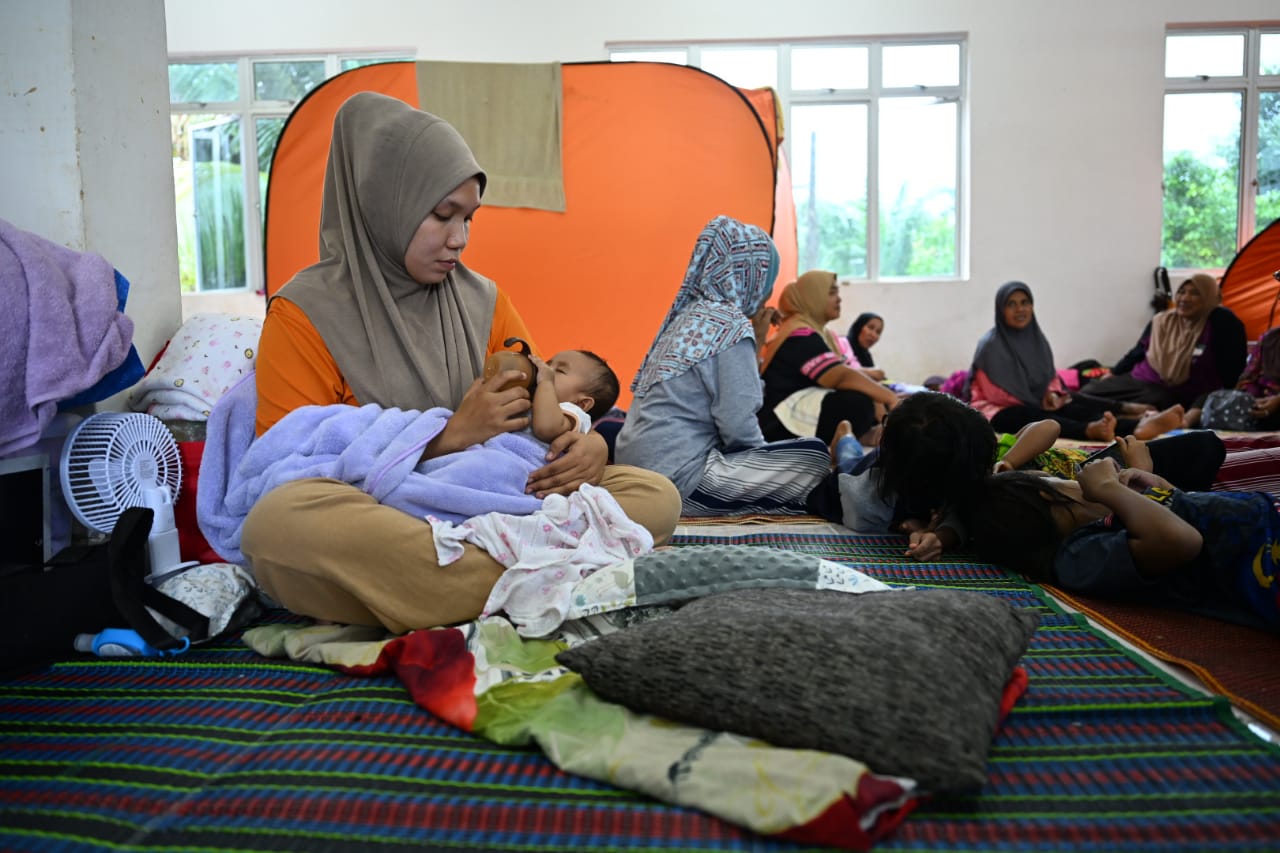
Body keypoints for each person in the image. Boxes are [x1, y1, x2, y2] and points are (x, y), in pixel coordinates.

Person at [236, 92, 680, 634]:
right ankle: (550, 575)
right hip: (389, 516)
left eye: (468, 218)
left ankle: (453, 587)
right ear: (383, 204)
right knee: (277, 528)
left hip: (497, 503)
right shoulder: (305, 313)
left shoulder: (485, 302)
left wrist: (586, 446)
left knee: (656, 496)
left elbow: (542, 407)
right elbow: (283, 462)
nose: (459, 240)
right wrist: (444, 437)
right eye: (442, 215)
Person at [808, 391, 1226, 562]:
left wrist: (1008, 463)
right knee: (848, 463)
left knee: (1204, 445)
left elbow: (1049, 428)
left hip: (1084, 469)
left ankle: (845, 438)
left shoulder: (992, 467)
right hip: (1098, 484)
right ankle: (843, 439)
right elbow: (956, 522)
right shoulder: (870, 499)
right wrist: (1137, 477)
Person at [613, 216, 832, 516]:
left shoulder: (688, 317)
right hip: (679, 482)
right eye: (768, 278)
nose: (767, 292)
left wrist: (755, 336)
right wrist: (765, 462)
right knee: (815, 457)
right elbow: (738, 427)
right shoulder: (730, 326)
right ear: (751, 275)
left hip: (636, 473)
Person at [963, 457, 1278, 633]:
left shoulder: (1111, 514)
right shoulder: (1074, 557)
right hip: (1261, 560)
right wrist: (1109, 489)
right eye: (1053, 478)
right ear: (1047, 495)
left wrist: (1163, 489)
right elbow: (1182, 540)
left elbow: (1190, 513)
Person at [969, 281, 1185, 442]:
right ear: (1001, 310)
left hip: (1037, 400)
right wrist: (1038, 399)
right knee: (1034, 417)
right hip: (999, 409)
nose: (1020, 309)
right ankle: (1089, 430)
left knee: (1069, 403)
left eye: (1025, 302)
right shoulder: (990, 345)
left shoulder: (1037, 340)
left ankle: (1136, 425)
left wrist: (1052, 393)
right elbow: (993, 393)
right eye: (1012, 304)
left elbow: (1050, 376)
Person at [758, 270, 900, 446]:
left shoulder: (820, 333)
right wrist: (889, 397)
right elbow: (839, 376)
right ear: (812, 297)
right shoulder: (799, 333)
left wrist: (880, 396)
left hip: (803, 404)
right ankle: (852, 436)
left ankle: (860, 435)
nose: (839, 299)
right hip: (779, 419)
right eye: (832, 293)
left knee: (866, 396)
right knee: (857, 403)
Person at [1078, 273, 1247, 411]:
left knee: (1163, 403)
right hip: (1141, 380)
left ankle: (1135, 414)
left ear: (1210, 297)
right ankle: (1133, 413)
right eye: (1181, 292)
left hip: (1182, 393)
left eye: (1195, 293)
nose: (1184, 298)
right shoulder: (1162, 320)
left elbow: (1234, 366)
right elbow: (1139, 350)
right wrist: (1114, 373)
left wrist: (1227, 393)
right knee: (1087, 393)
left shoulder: (1222, 322)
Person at [1184, 326, 1280, 431]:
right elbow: (1249, 376)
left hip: (1276, 404)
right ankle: (1183, 424)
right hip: (1258, 400)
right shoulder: (1269, 338)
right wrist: (1251, 398)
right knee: (1209, 397)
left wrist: (1277, 400)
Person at [527, 350, 619, 443]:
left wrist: (546, 381)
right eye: (547, 365)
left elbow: (546, 428)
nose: (546, 371)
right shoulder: (530, 394)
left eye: (560, 370)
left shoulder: (574, 414)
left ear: (581, 404)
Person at [845, 312, 886, 381]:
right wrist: (869, 372)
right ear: (859, 326)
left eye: (878, 332)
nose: (873, 335)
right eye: (870, 327)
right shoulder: (840, 344)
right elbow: (836, 370)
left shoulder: (866, 357)